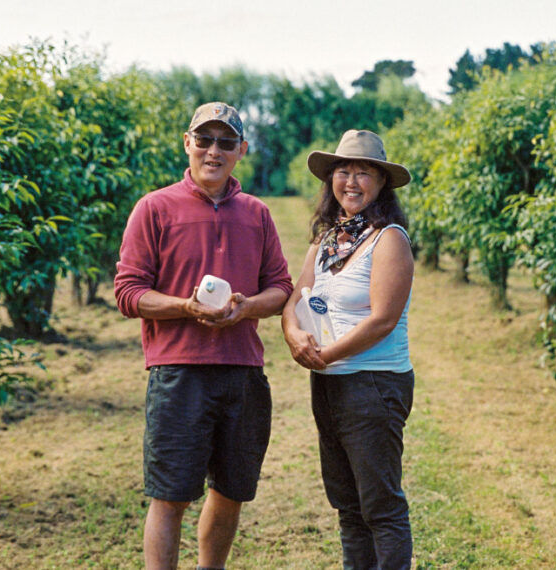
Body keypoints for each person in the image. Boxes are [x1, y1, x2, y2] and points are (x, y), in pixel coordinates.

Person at [114, 102, 292, 570]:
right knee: (170, 495)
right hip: (179, 374)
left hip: (242, 372)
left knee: (231, 491)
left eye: (226, 142)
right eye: (205, 139)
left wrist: (245, 309)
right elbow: (129, 292)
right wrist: (184, 308)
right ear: (187, 143)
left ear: (242, 151)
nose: (214, 150)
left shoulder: (256, 214)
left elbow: (280, 287)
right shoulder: (154, 208)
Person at [281, 129, 416, 569]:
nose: (351, 182)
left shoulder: (388, 239)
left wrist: (327, 353)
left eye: (364, 173)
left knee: (381, 507)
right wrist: (293, 334)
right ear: (330, 180)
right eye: (343, 171)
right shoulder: (327, 241)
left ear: (381, 184)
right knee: (348, 507)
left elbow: (383, 319)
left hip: (373, 386)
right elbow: (297, 299)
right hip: (330, 385)